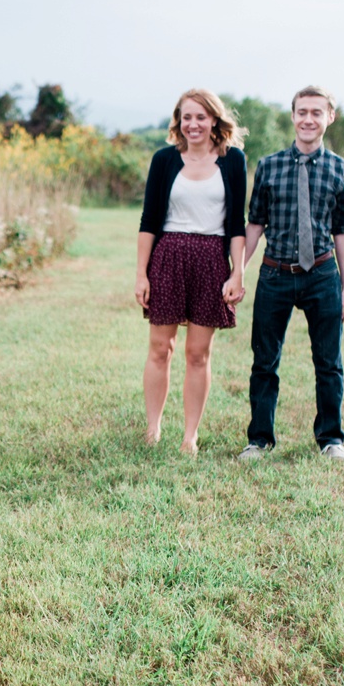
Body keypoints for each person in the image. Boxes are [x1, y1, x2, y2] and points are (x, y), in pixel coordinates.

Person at [238, 86, 344, 461]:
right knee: (265, 360)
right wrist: (238, 272)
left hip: (322, 274)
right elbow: (254, 224)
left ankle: (331, 439)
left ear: (329, 118)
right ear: (292, 116)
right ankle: (259, 440)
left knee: (329, 362)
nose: (308, 119)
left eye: (316, 113)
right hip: (275, 274)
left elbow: (343, 230)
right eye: (302, 112)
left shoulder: (341, 170)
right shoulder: (269, 166)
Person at [135, 89, 247, 455]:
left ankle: (190, 436)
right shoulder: (165, 159)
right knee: (159, 348)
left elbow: (236, 225)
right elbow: (149, 220)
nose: (193, 124)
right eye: (186, 117)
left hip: (211, 258)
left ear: (214, 119)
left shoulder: (233, 161)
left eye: (200, 117)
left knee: (198, 353)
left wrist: (237, 274)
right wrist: (141, 273)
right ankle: (153, 428)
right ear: (178, 122)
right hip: (168, 256)